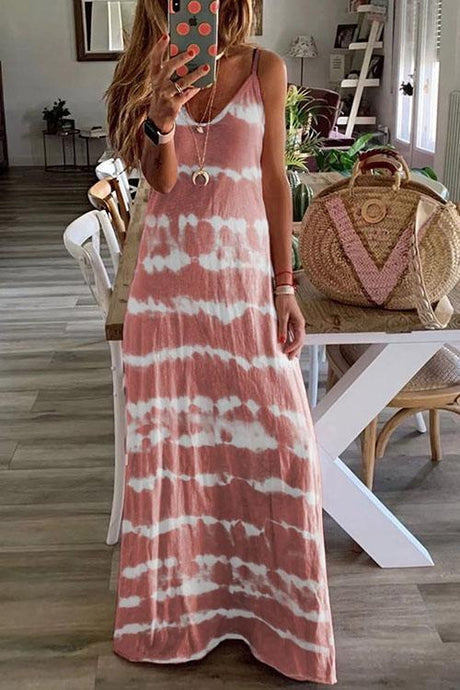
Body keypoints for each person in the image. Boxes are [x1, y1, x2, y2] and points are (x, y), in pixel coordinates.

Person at [104, 0, 337, 684]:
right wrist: (161, 120)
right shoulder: (144, 72)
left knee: (287, 453)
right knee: (177, 462)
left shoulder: (266, 69)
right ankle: (179, 620)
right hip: (169, 305)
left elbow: (274, 180)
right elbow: (163, 182)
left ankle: (279, 622)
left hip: (242, 293)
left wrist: (285, 285)